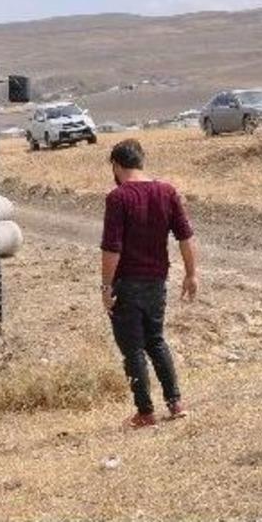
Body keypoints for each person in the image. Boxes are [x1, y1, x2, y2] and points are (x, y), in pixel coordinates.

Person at [100, 139, 199, 428]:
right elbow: (186, 236)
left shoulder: (118, 198)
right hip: (157, 280)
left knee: (132, 349)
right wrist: (191, 274)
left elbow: (111, 248)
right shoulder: (167, 192)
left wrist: (106, 287)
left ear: (116, 165)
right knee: (156, 340)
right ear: (141, 161)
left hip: (127, 283)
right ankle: (175, 402)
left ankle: (145, 412)